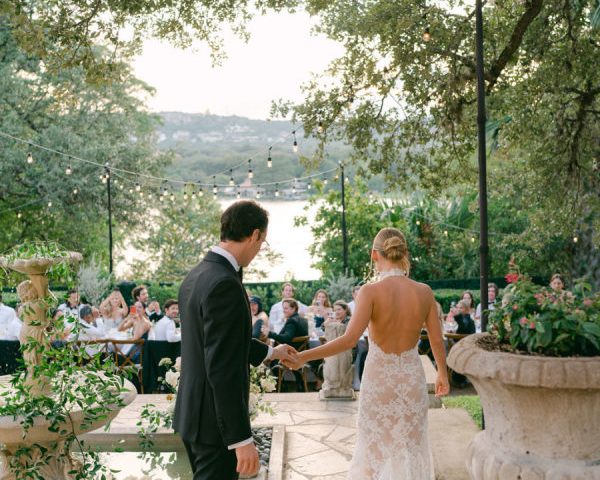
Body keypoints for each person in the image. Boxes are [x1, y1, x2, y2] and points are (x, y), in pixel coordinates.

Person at [284, 227, 449, 479]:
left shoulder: (370, 292)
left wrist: (303, 356)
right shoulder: (424, 292)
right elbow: (436, 339)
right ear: (403, 253)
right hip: (411, 379)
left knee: (375, 447)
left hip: (379, 381)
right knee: (411, 446)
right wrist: (442, 375)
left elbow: (348, 339)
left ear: (375, 255)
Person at [172, 200, 297, 480]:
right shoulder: (224, 283)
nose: (258, 250)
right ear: (253, 235)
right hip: (214, 424)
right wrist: (241, 439)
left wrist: (271, 352)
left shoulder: (197, 275)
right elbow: (222, 367)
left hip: (194, 416)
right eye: (262, 243)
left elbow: (217, 343)